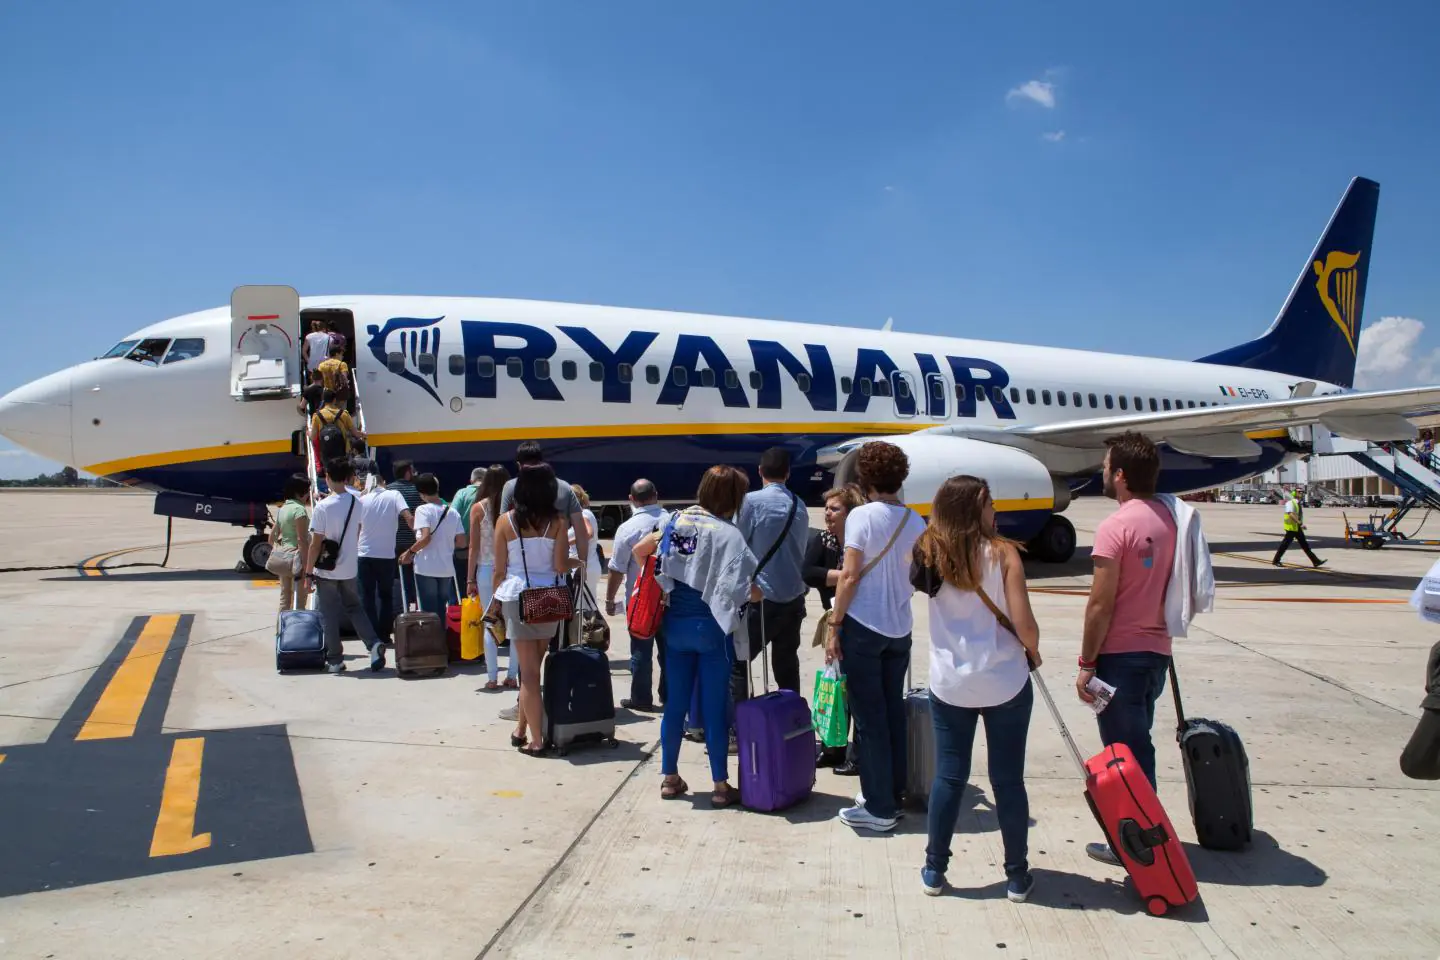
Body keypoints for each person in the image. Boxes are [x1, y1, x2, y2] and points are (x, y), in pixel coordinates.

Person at [912, 475, 1042, 902]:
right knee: (1008, 781)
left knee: (949, 776)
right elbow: (1024, 624)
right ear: (973, 508)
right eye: (989, 503)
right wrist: (1033, 648)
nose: (995, 511)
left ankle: (934, 869)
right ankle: (1017, 876)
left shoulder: (931, 551)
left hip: (951, 684)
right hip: (1004, 680)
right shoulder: (1003, 553)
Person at [1077, 431, 1179, 866]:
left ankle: (1137, 841)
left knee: (1125, 755)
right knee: (1139, 745)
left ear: (1120, 475)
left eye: (1105, 467)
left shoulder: (1116, 526)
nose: (1101, 472)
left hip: (1119, 656)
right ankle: (1140, 833)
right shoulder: (1170, 519)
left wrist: (1086, 663)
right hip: (1157, 653)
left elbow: (1100, 604)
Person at [634, 465, 759, 807]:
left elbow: (639, 551)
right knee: (715, 707)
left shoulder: (674, 522)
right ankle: (720, 785)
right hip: (711, 629)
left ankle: (669, 778)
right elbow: (742, 589)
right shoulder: (729, 534)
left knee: (675, 704)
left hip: (675, 626)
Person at [826, 441, 924, 832]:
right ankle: (891, 792)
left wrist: (835, 624)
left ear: (864, 478)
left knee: (869, 719)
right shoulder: (916, 520)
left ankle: (879, 808)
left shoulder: (861, 517)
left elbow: (850, 575)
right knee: (891, 714)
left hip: (864, 625)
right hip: (900, 626)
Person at [490, 464, 575, 755]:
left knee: (528, 675)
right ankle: (521, 729)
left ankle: (536, 740)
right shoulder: (559, 521)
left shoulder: (505, 522)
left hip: (518, 597)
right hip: (550, 599)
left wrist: (494, 601)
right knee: (533, 670)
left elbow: (499, 570)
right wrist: (578, 563)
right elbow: (561, 565)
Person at [735, 447, 808, 702]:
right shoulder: (800, 504)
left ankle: (739, 727)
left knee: (738, 662)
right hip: (794, 597)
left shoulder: (750, 502)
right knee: (787, 664)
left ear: (760, 471)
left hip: (761, 599)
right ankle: (792, 721)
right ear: (788, 473)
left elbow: (737, 546)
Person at [301, 458, 386, 674]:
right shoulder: (358, 502)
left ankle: (336, 659)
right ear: (348, 477)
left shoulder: (323, 507)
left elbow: (316, 543)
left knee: (328, 614)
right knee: (354, 607)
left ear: (328, 477)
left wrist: (308, 572)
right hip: (350, 565)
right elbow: (357, 532)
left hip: (327, 569)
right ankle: (374, 643)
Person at [805, 483, 865, 771]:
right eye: (826, 508)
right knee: (833, 687)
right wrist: (844, 575)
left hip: (860, 621)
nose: (827, 513)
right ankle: (832, 748)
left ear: (850, 513)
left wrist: (841, 578)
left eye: (835, 509)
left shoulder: (862, 542)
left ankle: (858, 754)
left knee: (856, 689)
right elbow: (807, 572)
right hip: (834, 617)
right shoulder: (824, 541)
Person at [606, 479, 669, 710]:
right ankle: (669, 695)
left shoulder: (627, 529)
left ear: (631, 499)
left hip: (641, 601)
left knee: (641, 651)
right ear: (656, 494)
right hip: (669, 597)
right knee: (668, 652)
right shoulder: (672, 520)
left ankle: (641, 699)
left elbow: (616, 569)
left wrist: (610, 599)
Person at [499, 441, 588, 584]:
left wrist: (499, 573)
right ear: (542, 461)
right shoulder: (565, 488)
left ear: (519, 464)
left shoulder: (511, 487)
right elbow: (580, 531)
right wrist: (583, 565)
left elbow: (501, 528)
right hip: (557, 574)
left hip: (519, 576)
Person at [466, 465, 515, 690]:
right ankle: (513, 675)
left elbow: (473, 549)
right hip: (511, 569)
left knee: (490, 622)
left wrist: (469, 579)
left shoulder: (478, 509)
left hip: (485, 569)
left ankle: (492, 677)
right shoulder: (514, 509)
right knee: (515, 623)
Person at [356, 475, 413, 644]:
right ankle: (384, 634)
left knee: (367, 596)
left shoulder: (362, 499)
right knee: (386, 595)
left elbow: (357, 527)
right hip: (387, 555)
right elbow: (408, 517)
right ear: (384, 483)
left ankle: (373, 636)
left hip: (364, 553)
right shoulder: (394, 495)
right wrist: (420, 537)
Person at [401, 473, 466, 615]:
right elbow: (461, 542)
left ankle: (433, 637)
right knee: (442, 607)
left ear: (421, 493)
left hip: (426, 566)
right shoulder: (453, 512)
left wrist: (409, 552)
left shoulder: (422, 510)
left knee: (429, 610)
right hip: (446, 568)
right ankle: (442, 635)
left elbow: (425, 538)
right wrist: (445, 544)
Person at [267, 475, 311, 613]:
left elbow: (271, 538)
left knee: (284, 599)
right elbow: (302, 540)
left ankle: (280, 632)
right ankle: (298, 632)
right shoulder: (299, 510)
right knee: (300, 602)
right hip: (297, 559)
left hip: (284, 557)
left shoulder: (283, 509)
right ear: (301, 492)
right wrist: (306, 566)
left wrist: (282, 547)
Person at [390, 461, 423, 601]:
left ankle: (401, 607)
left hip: (394, 541)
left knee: (397, 579)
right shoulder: (417, 490)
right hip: (413, 542)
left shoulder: (388, 490)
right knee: (413, 579)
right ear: (408, 472)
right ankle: (414, 606)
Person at [568, 484, 604, 611]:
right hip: (590, 564)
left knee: (581, 609)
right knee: (588, 606)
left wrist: (566, 543)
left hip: (583, 566)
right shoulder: (588, 513)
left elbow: (588, 533)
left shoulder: (582, 515)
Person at [1273, 488, 1325, 568]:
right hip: (1291, 528)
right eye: (1299, 492)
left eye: (1302, 492)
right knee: (1285, 545)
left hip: (1296, 528)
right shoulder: (1290, 503)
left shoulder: (1298, 503)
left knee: (1305, 545)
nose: (1301, 493)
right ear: (1294, 493)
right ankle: (1276, 560)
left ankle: (1316, 561)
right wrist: (1300, 523)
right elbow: (1291, 514)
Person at [451, 468, 485, 585]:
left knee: (461, 587)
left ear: (471, 480)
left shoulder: (462, 493)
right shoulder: (491, 494)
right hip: (485, 552)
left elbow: (452, 515)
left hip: (463, 550)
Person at [311, 390, 364, 462]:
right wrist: (364, 435)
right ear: (334, 400)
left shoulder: (317, 416)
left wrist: (308, 432)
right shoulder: (344, 414)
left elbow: (313, 436)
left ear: (323, 400)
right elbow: (355, 433)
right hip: (343, 451)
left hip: (326, 451)